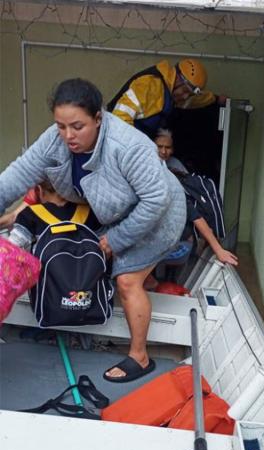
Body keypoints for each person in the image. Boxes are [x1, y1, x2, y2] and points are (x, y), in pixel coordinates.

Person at [0, 78, 187, 383]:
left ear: (98, 118)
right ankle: (147, 279)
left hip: (162, 214)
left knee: (127, 280)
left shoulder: (126, 145)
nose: (68, 136)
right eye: (61, 126)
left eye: (77, 126)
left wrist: (116, 240)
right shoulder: (54, 140)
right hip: (115, 212)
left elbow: (156, 200)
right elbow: (15, 177)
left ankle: (139, 356)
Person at [153, 129, 238, 267]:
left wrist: (217, 249)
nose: (163, 152)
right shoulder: (146, 169)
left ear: (173, 149)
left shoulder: (174, 169)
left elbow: (191, 209)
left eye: (167, 147)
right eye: (159, 147)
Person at [107, 58, 227, 138]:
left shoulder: (173, 94)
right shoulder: (149, 85)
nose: (185, 97)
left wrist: (216, 99)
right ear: (178, 79)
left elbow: (194, 101)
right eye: (185, 91)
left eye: (189, 94)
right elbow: (119, 118)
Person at [6, 181, 101, 250]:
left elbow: (11, 248)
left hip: (48, 277)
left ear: (39, 190)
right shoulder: (89, 211)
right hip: (90, 276)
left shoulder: (31, 214)